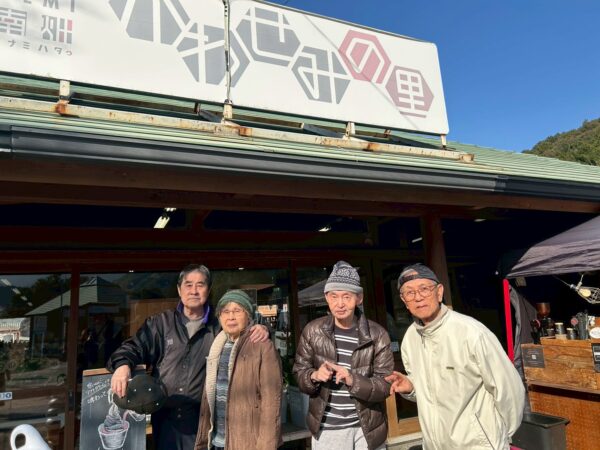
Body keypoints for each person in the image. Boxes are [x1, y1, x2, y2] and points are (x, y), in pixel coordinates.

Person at [107, 264, 269, 450]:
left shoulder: (220, 325)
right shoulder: (161, 323)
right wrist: (122, 365)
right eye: (188, 284)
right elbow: (133, 347)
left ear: (208, 289)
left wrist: (261, 329)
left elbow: (245, 331)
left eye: (200, 285)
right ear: (179, 289)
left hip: (203, 422)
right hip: (165, 420)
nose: (194, 291)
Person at [386, 263, 524, 450]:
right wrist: (411, 387)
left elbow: (509, 389)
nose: (418, 297)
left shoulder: (471, 332)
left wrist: (501, 438)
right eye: (409, 292)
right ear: (403, 300)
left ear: (439, 292)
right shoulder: (410, 338)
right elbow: (431, 394)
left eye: (424, 289)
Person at [293, 261, 394, 450]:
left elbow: (386, 385)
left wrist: (352, 380)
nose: (340, 304)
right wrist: (314, 376)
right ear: (326, 297)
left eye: (347, 296)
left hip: (368, 429)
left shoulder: (377, 335)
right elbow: (299, 373)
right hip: (328, 428)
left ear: (359, 298)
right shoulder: (312, 331)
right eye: (334, 296)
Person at [195, 290, 282, 450]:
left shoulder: (262, 346)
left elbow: (272, 402)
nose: (231, 317)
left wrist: (266, 446)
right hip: (216, 441)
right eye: (225, 311)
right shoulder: (216, 345)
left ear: (248, 316)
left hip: (247, 443)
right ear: (219, 317)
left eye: (237, 311)